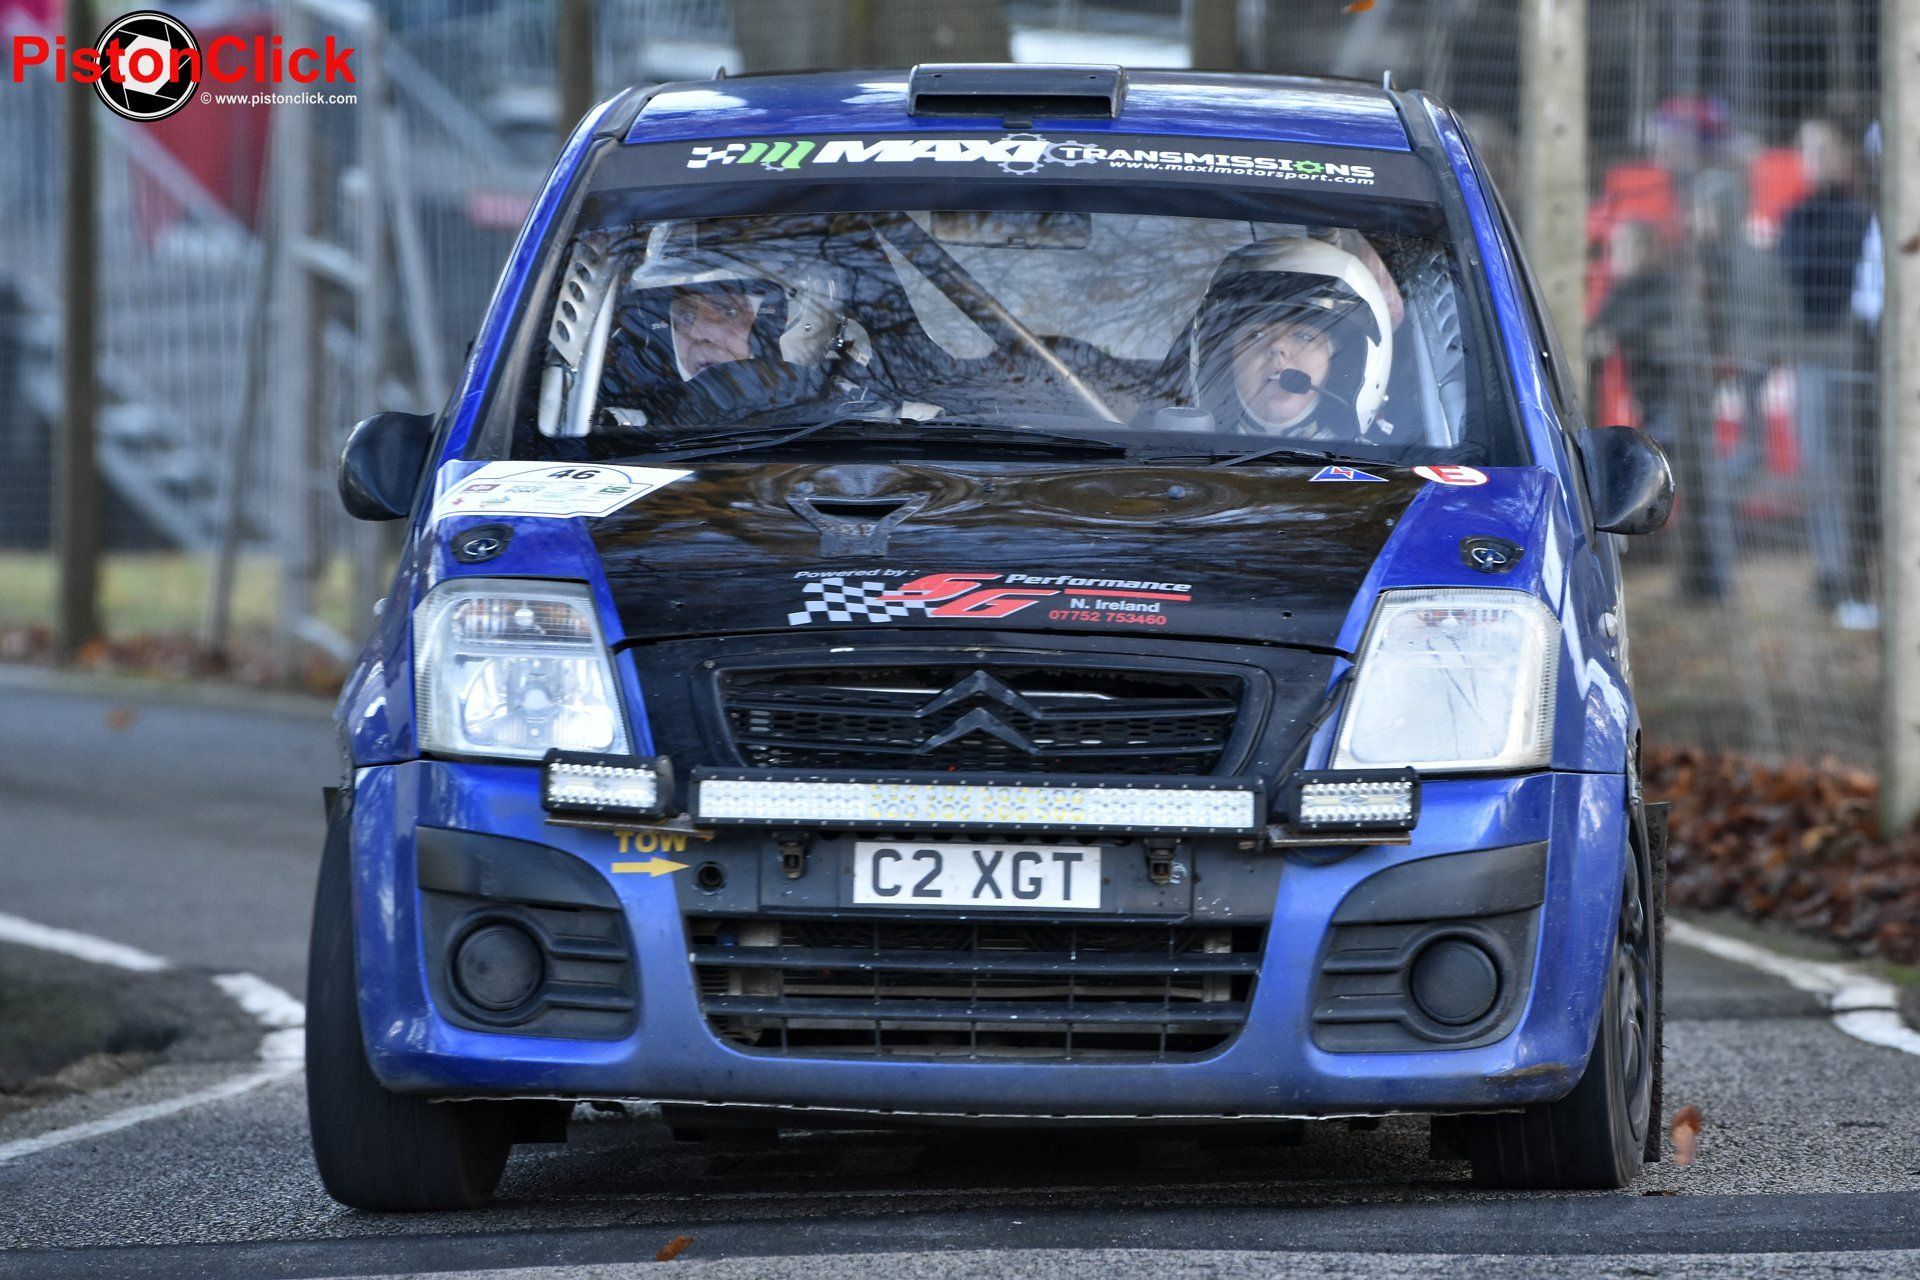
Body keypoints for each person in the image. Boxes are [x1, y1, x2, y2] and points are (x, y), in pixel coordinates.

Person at [1778, 116, 1875, 625]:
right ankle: (1832, 570)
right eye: (1806, 147)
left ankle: (1852, 574)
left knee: (1852, 468)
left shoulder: (1861, 215)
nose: (1813, 157)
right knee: (1820, 463)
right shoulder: (1796, 216)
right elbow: (1788, 278)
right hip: (1813, 349)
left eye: (1824, 147)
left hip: (1853, 351)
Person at [1189, 238, 1395, 442]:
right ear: (1225, 362)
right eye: (1256, 334)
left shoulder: (1385, 471)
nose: (1277, 346)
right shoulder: (1177, 456)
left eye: (1303, 335)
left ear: (1341, 366)